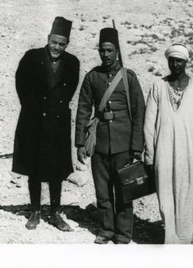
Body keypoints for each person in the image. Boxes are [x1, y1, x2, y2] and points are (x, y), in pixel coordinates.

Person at [75, 27, 145, 244]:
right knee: (103, 191)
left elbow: (139, 112)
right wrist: (80, 143)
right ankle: (106, 230)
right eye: (102, 50)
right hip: (100, 144)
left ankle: (124, 233)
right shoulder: (92, 77)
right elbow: (83, 110)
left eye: (109, 50)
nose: (105, 55)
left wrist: (136, 147)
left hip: (123, 143)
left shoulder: (129, 78)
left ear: (117, 51)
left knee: (125, 191)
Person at [12, 16, 80, 232]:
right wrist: (33, 109)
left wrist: (54, 110)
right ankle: (34, 211)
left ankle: (55, 212)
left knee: (56, 170)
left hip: (57, 122)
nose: (57, 47)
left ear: (66, 44)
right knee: (34, 167)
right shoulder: (31, 57)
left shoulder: (72, 62)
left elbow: (69, 90)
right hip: (34, 120)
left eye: (62, 44)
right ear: (48, 38)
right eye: (54, 42)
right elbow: (20, 84)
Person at [144, 44, 193, 244]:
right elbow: (149, 124)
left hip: (189, 154)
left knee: (187, 195)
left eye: (179, 60)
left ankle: (186, 238)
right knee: (166, 195)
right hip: (163, 153)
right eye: (171, 60)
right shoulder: (158, 86)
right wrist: (149, 156)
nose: (175, 64)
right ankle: (171, 239)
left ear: (186, 62)